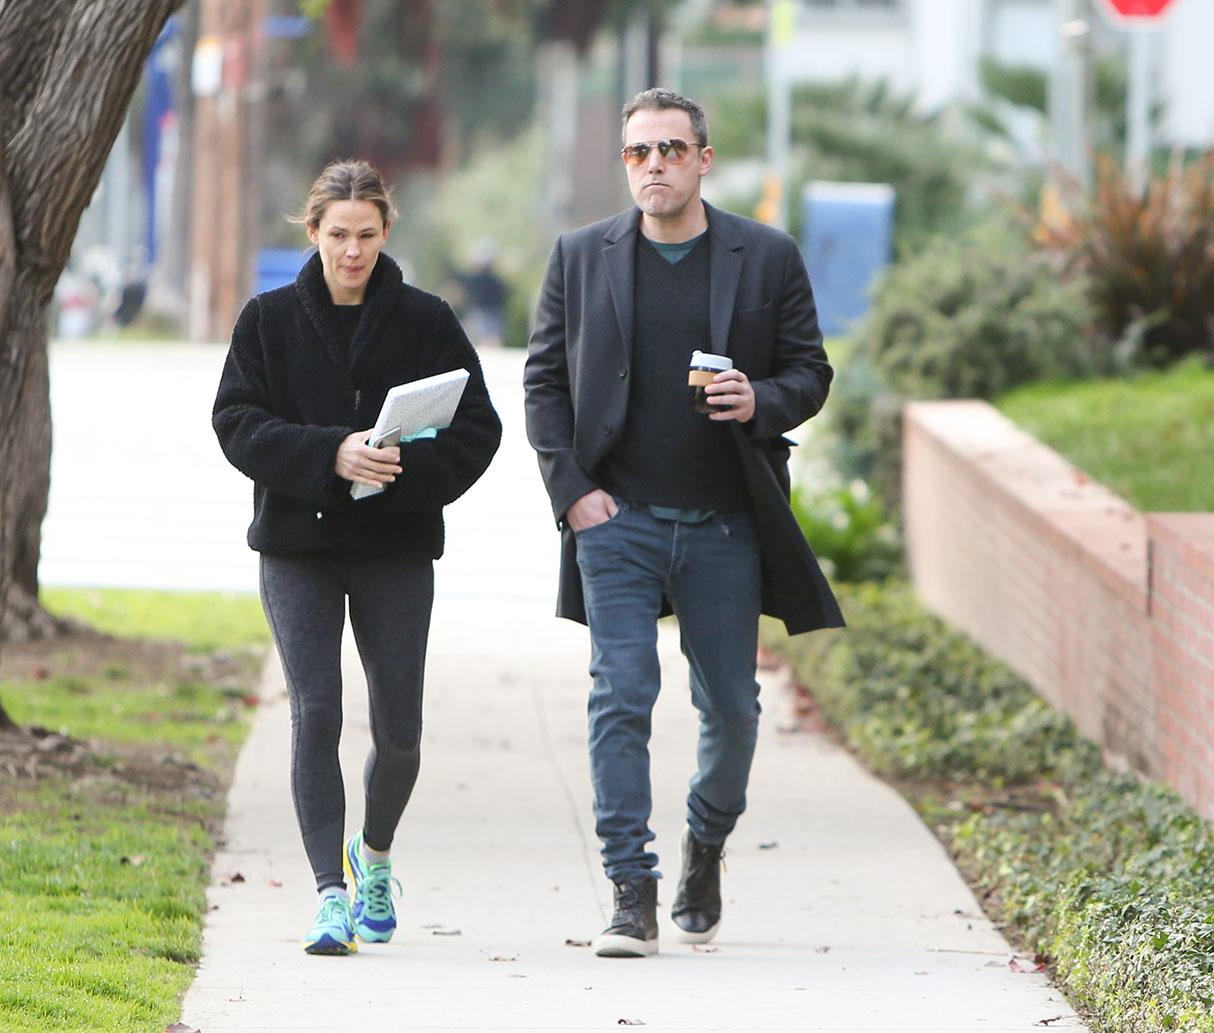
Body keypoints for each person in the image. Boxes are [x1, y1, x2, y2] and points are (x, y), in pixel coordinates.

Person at [524, 88, 844, 958]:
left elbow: (811, 371)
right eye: (638, 153)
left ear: (704, 159)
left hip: (725, 524)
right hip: (615, 521)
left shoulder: (765, 256)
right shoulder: (581, 256)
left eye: (670, 149)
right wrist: (574, 492)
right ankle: (631, 888)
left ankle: (707, 839)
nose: (654, 165)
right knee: (620, 694)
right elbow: (545, 385)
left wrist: (762, 399)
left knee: (733, 709)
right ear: (624, 163)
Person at [213, 159, 501, 956]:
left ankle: (372, 856)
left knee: (400, 730)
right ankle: (328, 896)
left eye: (366, 236)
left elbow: (481, 430)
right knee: (317, 714)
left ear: (385, 232)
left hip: (395, 546)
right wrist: (328, 453)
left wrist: (405, 471)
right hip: (298, 547)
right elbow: (234, 421)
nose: (351, 251)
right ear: (312, 233)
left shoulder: (426, 319)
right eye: (337, 236)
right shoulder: (267, 320)